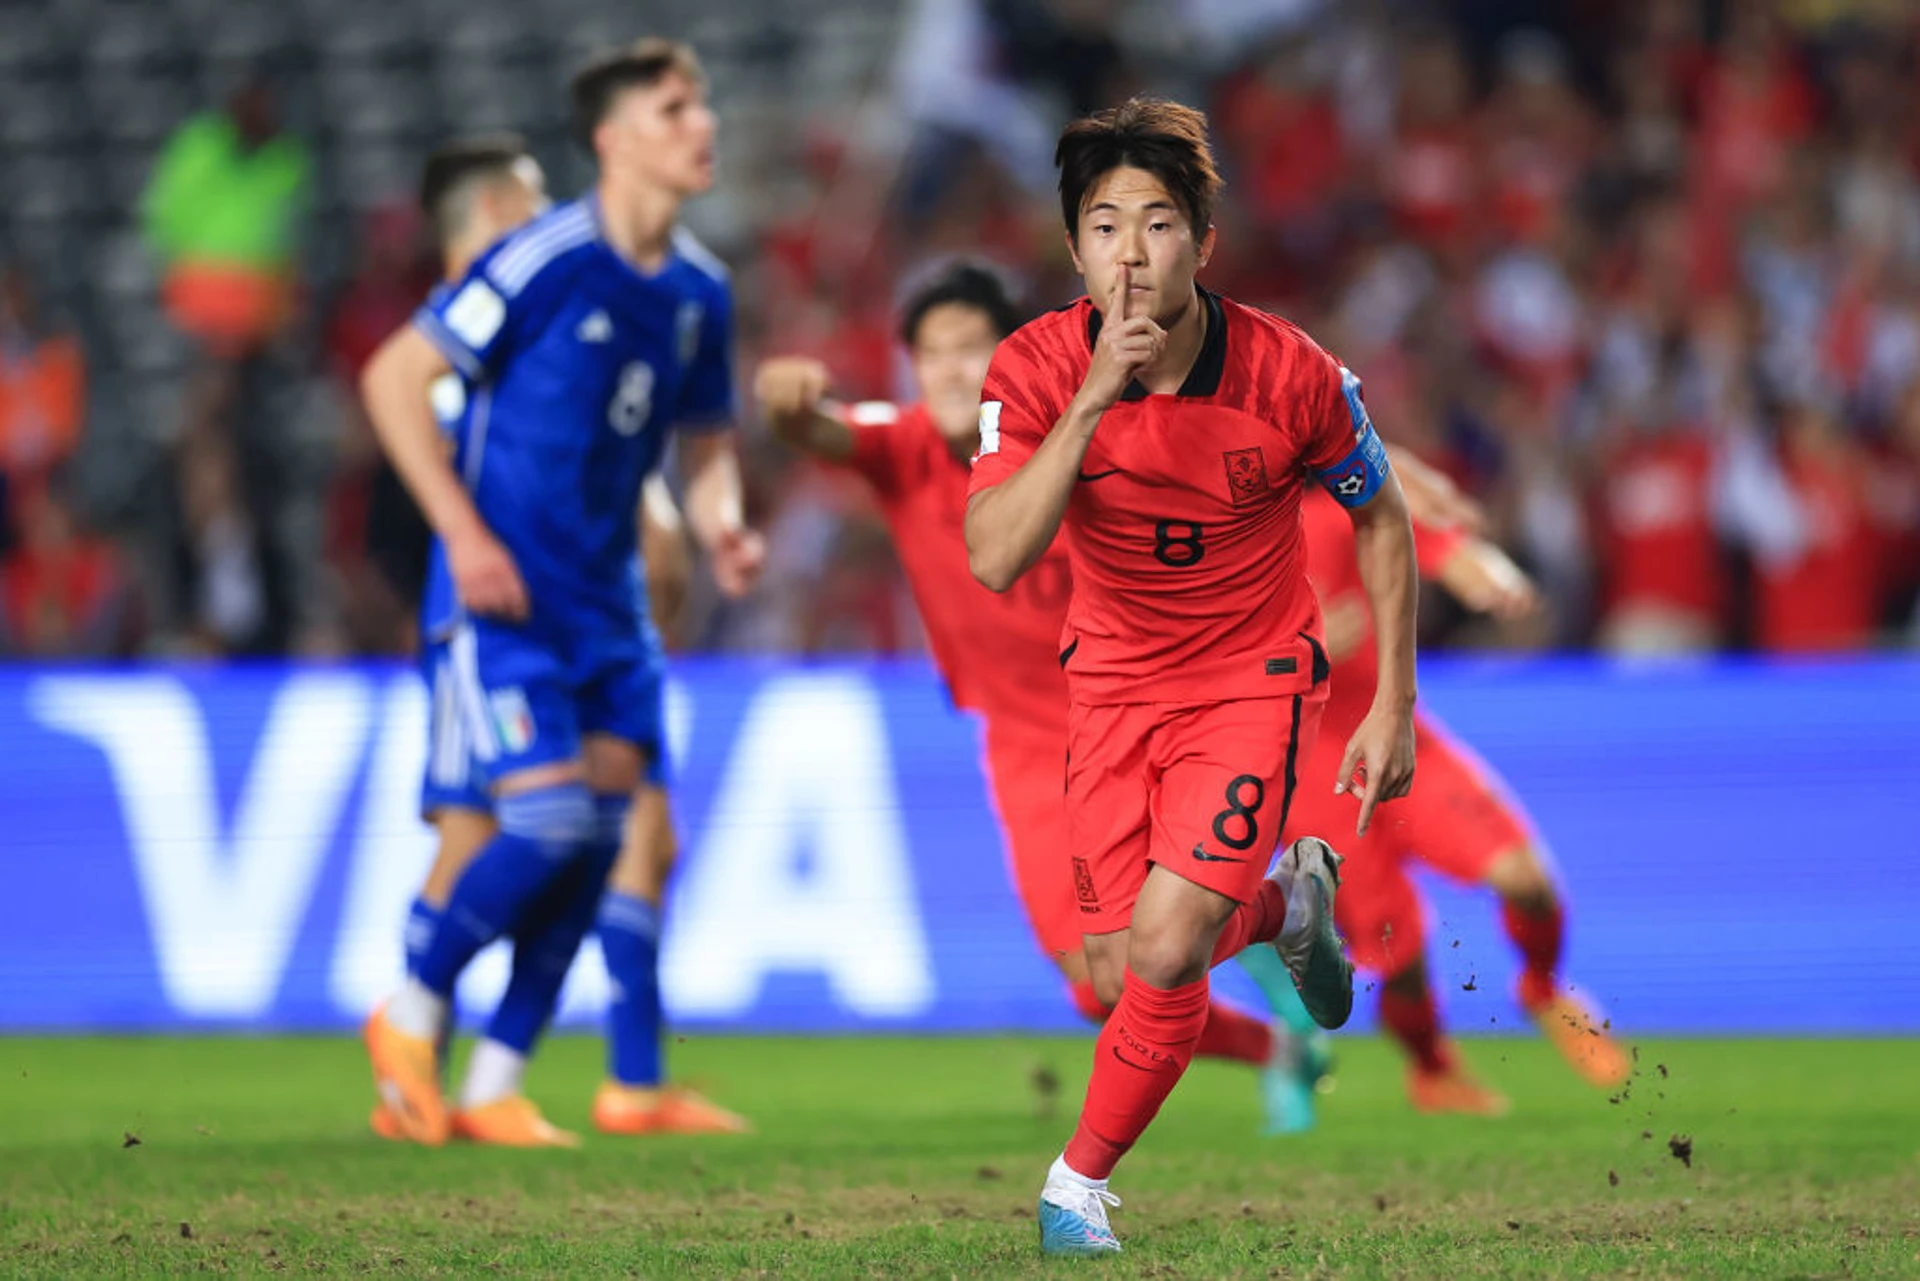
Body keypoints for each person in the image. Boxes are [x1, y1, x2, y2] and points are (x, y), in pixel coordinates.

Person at [962, 98, 1419, 1256]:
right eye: (1104, 225)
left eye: (1159, 223)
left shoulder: (1291, 374)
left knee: (1167, 950)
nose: (1130, 251)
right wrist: (1089, 403)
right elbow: (997, 556)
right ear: (1074, 249)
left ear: (1203, 243)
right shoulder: (1030, 369)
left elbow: (1383, 519)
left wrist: (1391, 700)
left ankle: (1075, 1186)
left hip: (1249, 678)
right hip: (1110, 684)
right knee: (1121, 972)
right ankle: (1288, 906)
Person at [754, 259, 1330, 1136]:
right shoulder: (902, 445)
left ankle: (1279, 912)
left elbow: (1283, 438)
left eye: (969, 348)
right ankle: (1281, 1025)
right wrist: (781, 396)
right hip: (1026, 745)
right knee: (1104, 988)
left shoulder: (1091, 428)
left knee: (1163, 934)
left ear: (1013, 356)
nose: (948, 369)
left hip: (1143, 706)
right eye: (929, 352)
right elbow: (812, 425)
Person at [356, 39, 764, 1148]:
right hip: (509, 605)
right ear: (617, 139)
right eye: (678, 108)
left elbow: (710, 440)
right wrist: (463, 534)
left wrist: (721, 523)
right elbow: (395, 379)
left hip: (613, 615)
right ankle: (408, 1014)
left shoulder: (699, 293)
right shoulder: (542, 261)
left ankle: (491, 1082)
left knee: (598, 844)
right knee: (541, 823)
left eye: (702, 104)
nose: (704, 123)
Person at [1293, 478, 1630, 1116]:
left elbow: (1409, 527)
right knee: (1397, 954)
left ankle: (1540, 986)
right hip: (1313, 775)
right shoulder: (1208, 546)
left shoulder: (1326, 515)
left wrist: (1475, 564)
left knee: (1524, 878)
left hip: (1395, 736)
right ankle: (1433, 1070)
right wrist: (1295, 650)